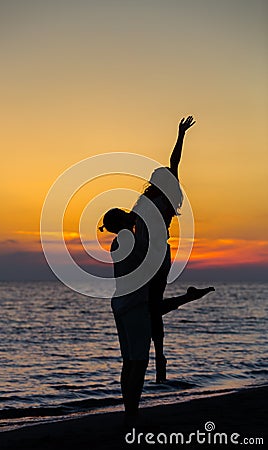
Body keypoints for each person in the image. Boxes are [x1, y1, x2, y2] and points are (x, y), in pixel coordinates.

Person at [99, 207, 214, 425]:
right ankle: (131, 414)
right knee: (139, 363)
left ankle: (129, 411)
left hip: (121, 304)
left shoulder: (117, 243)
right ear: (122, 221)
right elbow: (159, 260)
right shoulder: (134, 242)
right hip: (134, 306)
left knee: (129, 363)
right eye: (125, 214)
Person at [133, 116, 196, 382]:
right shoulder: (144, 202)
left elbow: (175, 163)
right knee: (151, 307)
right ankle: (156, 355)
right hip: (143, 257)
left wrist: (181, 135)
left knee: (153, 305)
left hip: (157, 256)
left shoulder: (169, 198)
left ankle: (158, 355)